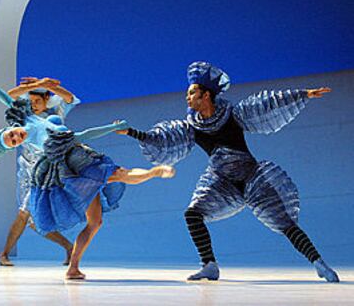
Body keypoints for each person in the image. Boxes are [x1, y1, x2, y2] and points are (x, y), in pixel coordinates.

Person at [116, 61, 339, 282]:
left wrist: (304, 94)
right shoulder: (192, 126)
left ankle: (319, 264)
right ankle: (209, 265)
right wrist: (131, 132)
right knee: (193, 215)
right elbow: (162, 139)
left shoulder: (232, 115)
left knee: (285, 223)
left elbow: (268, 105)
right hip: (222, 183)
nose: (188, 97)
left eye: (192, 92)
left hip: (253, 178)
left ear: (206, 96)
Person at [0, 75, 175, 280]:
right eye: (14, 142)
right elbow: (81, 136)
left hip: (79, 161)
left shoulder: (30, 118)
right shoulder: (45, 141)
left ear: (11, 128)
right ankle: (155, 172)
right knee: (117, 174)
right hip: (77, 167)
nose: (17, 137)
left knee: (95, 222)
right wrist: (111, 128)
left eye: (12, 135)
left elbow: (8, 98)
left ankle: (73, 268)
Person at [0, 74, 79, 266]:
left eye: (38, 100)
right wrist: (36, 85)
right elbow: (9, 97)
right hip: (26, 170)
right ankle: (69, 247)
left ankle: (4, 254)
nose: (34, 104)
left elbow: (69, 98)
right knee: (33, 222)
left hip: (45, 173)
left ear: (47, 100)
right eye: (31, 100)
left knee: (24, 213)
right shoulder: (24, 116)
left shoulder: (56, 116)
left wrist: (45, 85)